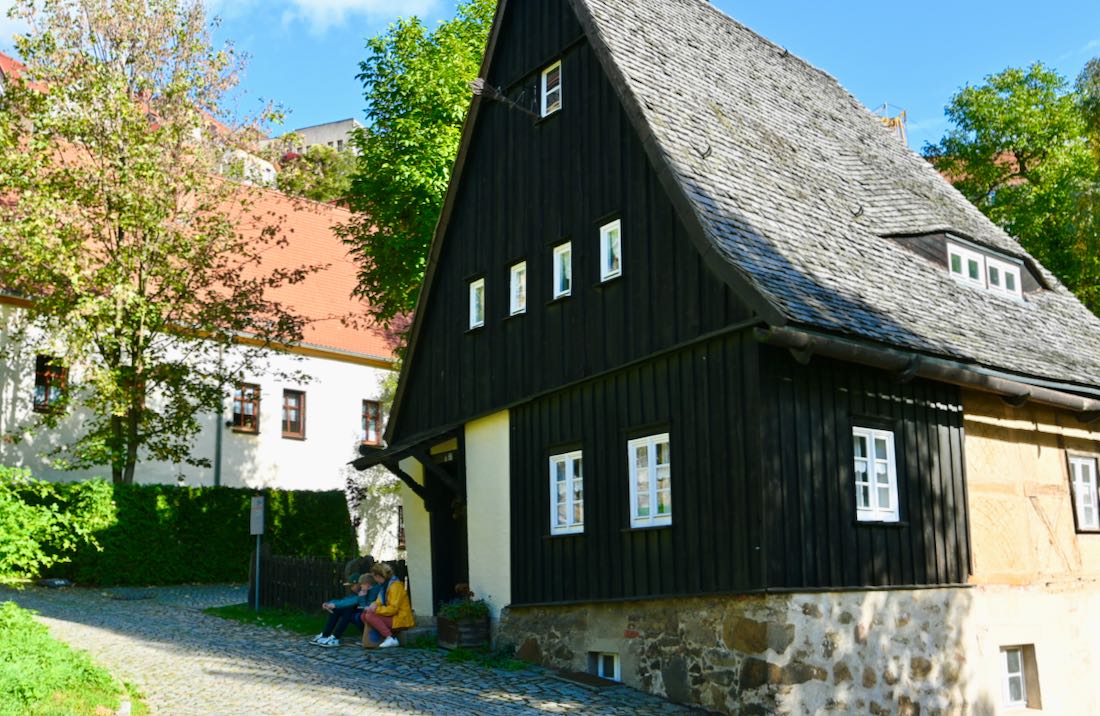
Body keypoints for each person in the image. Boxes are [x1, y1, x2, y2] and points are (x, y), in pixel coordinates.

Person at [310, 572, 382, 647]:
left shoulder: (370, 591)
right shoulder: (360, 592)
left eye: (352, 585)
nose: (351, 588)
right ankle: (326, 635)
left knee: (348, 609)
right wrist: (329, 603)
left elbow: (353, 602)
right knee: (339, 609)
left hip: (368, 613)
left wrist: (333, 605)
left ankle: (335, 637)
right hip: (362, 612)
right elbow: (345, 600)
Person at [362, 561, 414, 649]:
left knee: (370, 616)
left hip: (402, 619)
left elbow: (393, 609)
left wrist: (376, 610)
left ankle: (391, 638)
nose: (375, 580)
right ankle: (373, 639)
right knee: (364, 615)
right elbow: (378, 601)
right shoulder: (385, 586)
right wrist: (372, 605)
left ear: (378, 576)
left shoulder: (395, 586)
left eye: (374, 577)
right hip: (393, 617)